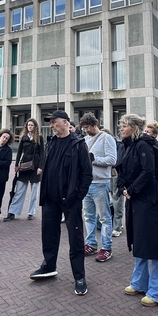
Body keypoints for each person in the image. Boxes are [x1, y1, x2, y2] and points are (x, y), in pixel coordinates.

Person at [30, 110, 93, 296]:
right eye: (50, 123)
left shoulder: (78, 144)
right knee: (48, 234)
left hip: (70, 200)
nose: (51, 125)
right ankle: (48, 266)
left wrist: (78, 195)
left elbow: (87, 174)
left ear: (65, 122)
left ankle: (79, 276)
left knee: (75, 238)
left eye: (54, 122)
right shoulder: (50, 143)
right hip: (50, 198)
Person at [117, 114, 158, 307]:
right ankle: (140, 282)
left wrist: (131, 190)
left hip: (149, 200)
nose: (121, 128)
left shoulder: (144, 145)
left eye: (124, 125)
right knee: (139, 239)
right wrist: (124, 188)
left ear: (134, 128)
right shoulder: (129, 145)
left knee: (153, 243)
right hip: (137, 200)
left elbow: (148, 172)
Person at [79, 113, 117, 262]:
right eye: (84, 128)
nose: (86, 130)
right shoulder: (85, 139)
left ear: (95, 124)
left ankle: (107, 247)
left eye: (87, 127)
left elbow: (112, 159)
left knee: (104, 217)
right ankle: (91, 244)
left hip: (101, 182)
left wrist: (93, 159)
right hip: (87, 183)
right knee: (88, 216)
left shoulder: (107, 138)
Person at [4, 119, 44, 221]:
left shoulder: (39, 138)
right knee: (19, 190)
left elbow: (43, 153)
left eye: (32, 125)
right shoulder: (24, 138)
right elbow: (19, 152)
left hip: (35, 166)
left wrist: (40, 167)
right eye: (28, 125)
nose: (30, 127)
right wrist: (17, 164)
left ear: (35, 127)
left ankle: (31, 212)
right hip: (25, 166)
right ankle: (12, 212)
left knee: (34, 191)